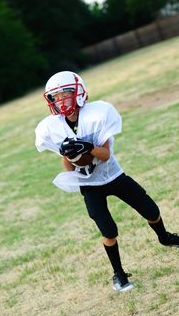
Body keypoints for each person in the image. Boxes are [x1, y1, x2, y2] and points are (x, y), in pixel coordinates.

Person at [35, 71, 179, 292]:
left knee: (150, 209)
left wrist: (88, 147)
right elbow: (69, 167)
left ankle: (165, 237)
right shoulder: (52, 127)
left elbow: (105, 155)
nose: (61, 100)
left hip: (113, 175)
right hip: (89, 184)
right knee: (108, 230)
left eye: (66, 94)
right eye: (57, 97)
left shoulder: (99, 112)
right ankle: (119, 274)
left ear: (79, 92)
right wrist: (68, 154)